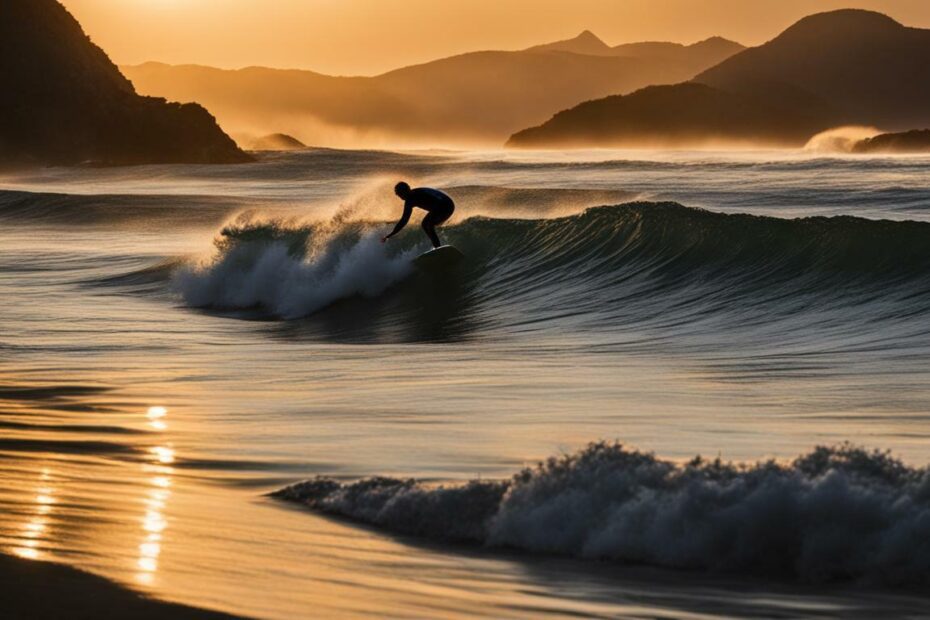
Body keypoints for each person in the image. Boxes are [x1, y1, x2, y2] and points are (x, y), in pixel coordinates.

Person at [382, 182, 455, 248]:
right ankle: (438, 246)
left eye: (399, 194)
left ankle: (438, 247)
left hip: (445, 205)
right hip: (447, 206)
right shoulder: (413, 195)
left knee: (427, 224)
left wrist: (390, 235)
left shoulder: (413, 197)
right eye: (398, 195)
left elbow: (404, 220)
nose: (400, 197)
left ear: (405, 191)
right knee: (426, 224)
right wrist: (391, 235)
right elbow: (404, 220)